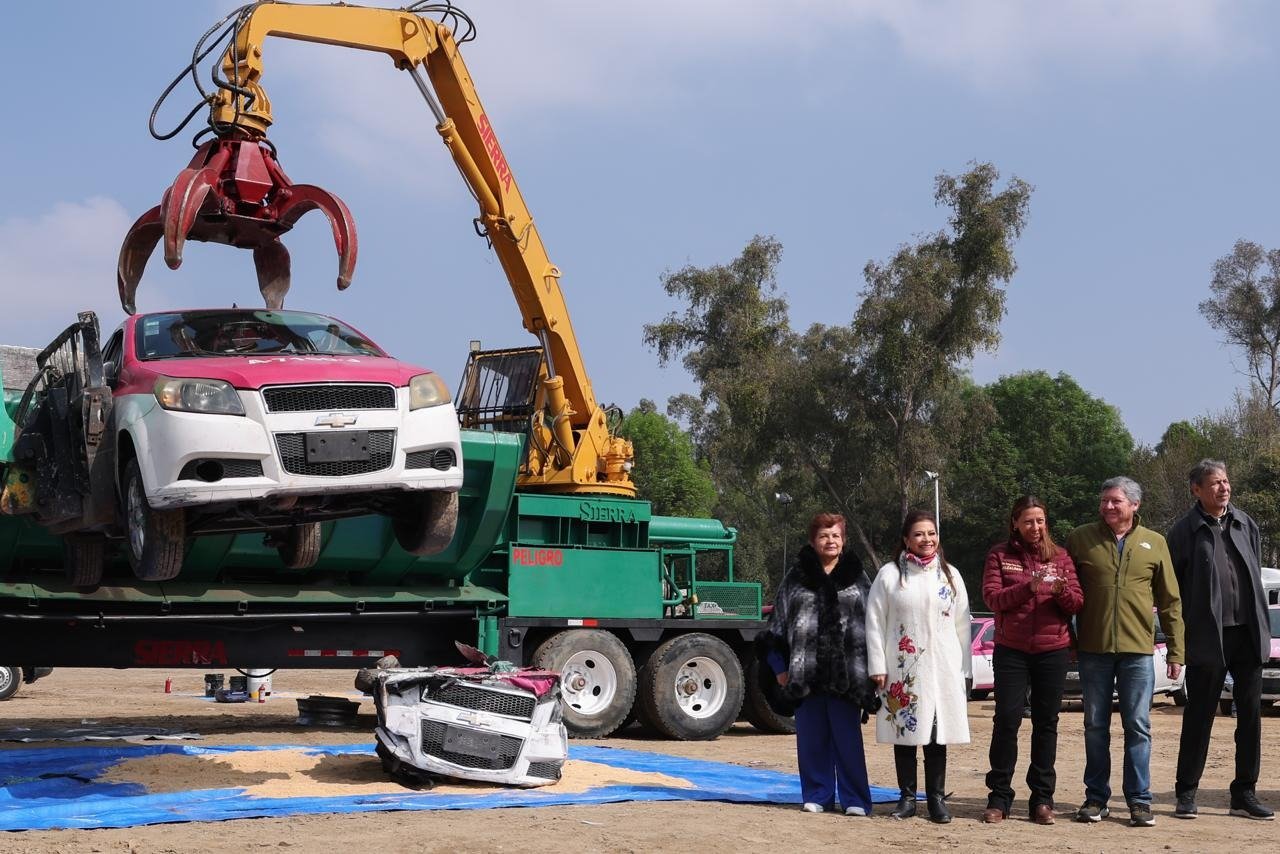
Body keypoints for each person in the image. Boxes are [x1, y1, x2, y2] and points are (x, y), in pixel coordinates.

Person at [1066, 476, 1184, 828]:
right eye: (1104, 501)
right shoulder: (1080, 539)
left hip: (1137, 653)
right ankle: (1096, 799)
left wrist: (1177, 651)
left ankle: (1139, 801)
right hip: (1093, 650)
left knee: (1138, 726)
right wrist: (1067, 642)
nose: (1107, 507)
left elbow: (1170, 601)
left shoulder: (1155, 543)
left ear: (1135, 505)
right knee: (1094, 726)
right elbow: (1065, 594)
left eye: (1115, 501)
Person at [1166, 460, 1274, 821]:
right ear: (1196, 489)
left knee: (1251, 717)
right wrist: (1179, 641)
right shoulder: (1184, 532)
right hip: (1207, 638)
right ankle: (1186, 792)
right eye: (1214, 483)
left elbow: (1253, 576)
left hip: (1247, 633)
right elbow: (1174, 593)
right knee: (1199, 716)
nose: (1223, 488)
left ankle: (1244, 793)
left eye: (1226, 481)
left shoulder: (1246, 524)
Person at [757, 512, 875, 816]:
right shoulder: (795, 578)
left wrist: (875, 669)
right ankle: (817, 794)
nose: (830, 541)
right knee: (811, 741)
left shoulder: (858, 577)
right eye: (824, 535)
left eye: (835, 535)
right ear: (813, 540)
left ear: (844, 540)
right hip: (804, 673)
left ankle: (855, 800)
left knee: (848, 742)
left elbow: (874, 625)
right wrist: (780, 668)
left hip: (847, 673)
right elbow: (775, 627)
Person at [980, 496, 1084, 825]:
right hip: (1011, 649)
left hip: (1053, 650)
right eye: (1028, 521)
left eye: (1040, 521)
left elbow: (1077, 603)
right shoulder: (999, 555)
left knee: (1046, 724)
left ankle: (1042, 800)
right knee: (1007, 720)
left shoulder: (1062, 557)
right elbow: (992, 598)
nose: (1035, 527)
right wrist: (1030, 587)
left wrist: (1061, 592)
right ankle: (999, 798)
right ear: (1015, 523)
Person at [866, 509, 971, 823]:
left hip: (942, 671)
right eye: (919, 534)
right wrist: (877, 665)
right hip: (903, 670)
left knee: (937, 736)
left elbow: (963, 624)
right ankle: (907, 798)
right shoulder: (889, 576)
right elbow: (873, 622)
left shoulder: (950, 575)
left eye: (931, 533)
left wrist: (963, 668)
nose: (927, 539)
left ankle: (936, 799)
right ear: (906, 540)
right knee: (906, 735)